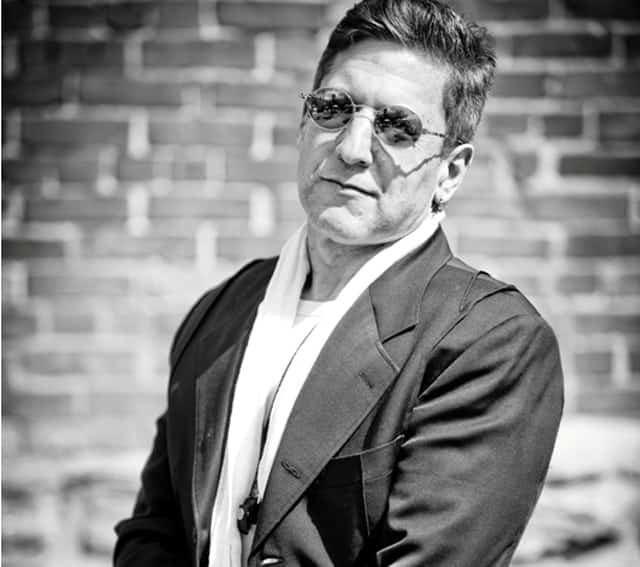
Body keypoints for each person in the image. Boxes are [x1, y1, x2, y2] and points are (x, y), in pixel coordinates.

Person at [114, 1, 564, 565]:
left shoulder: (491, 341)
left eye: (398, 128)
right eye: (333, 109)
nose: (351, 149)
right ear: (304, 124)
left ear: (450, 171)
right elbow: (154, 531)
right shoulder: (223, 310)